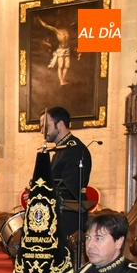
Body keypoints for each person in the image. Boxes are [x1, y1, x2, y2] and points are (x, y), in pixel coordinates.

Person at [41, 107, 93, 249]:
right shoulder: (62, 149)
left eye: (46, 126)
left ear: (60, 124)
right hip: (60, 212)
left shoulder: (74, 149)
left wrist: (42, 192)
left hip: (69, 215)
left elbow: (69, 186)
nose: (42, 131)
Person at [37, 17, 72, 86]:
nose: (58, 24)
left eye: (59, 22)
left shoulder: (67, 29)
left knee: (67, 65)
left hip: (67, 49)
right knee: (61, 66)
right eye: (57, 23)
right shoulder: (56, 30)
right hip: (61, 49)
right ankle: (61, 82)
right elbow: (45, 25)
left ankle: (63, 79)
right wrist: (39, 19)